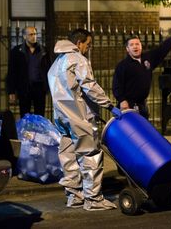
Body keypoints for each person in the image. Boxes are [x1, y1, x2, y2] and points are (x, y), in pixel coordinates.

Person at [47, 28, 121, 211]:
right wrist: (109, 106)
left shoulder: (57, 63)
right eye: (88, 45)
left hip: (61, 117)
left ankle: (74, 196)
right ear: (79, 43)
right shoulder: (78, 60)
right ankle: (94, 199)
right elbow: (89, 86)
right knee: (90, 155)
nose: (88, 48)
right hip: (79, 116)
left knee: (68, 157)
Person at [112, 22, 171, 119]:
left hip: (142, 106)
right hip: (127, 107)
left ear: (141, 46)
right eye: (131, 45)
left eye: (137, 44)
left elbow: (163, 48)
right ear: (127, 49)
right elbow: (116, 86)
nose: (135, 46)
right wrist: (122, 100)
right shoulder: (122, 66)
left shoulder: (148, 58)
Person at [7, 26, 51, 118]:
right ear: (24, 36)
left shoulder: (43, 50)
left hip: (39, 87)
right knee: (24, 114)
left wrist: (49, 87)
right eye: (31, 34)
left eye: (35, 34)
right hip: (24, 87)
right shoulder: (16, 51)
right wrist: (11, 91)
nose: (34, 36)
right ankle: (26, 132)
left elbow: (49, 69)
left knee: (40, 114)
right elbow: (12, 71)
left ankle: (39, 132)